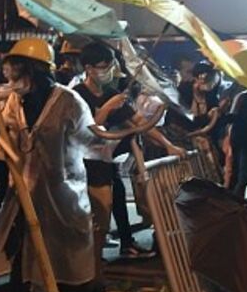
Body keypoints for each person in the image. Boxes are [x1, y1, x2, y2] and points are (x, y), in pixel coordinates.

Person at [0, 38, 95, 292]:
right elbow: (5, 137)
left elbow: (90, 140)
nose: (12, 78)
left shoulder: (68, 100)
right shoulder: (14, 101)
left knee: (63, 253)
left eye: (17, 71)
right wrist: (1, 142)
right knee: (22, 256)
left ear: (35, 71)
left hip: (63, 193)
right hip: (25, 191)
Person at [73, 43, 176, 269]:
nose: (109, 70)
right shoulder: (77, 95)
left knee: (109, 207)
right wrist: (108, 107)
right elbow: (91, 127)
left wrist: (168, 144)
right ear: (89, 68)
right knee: (98, 213)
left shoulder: (112, 93)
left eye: (111, 65)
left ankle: (106, 254)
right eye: (104, 66)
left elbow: (139, 124)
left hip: (107, 160)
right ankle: (89, 262)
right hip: (84, 162)